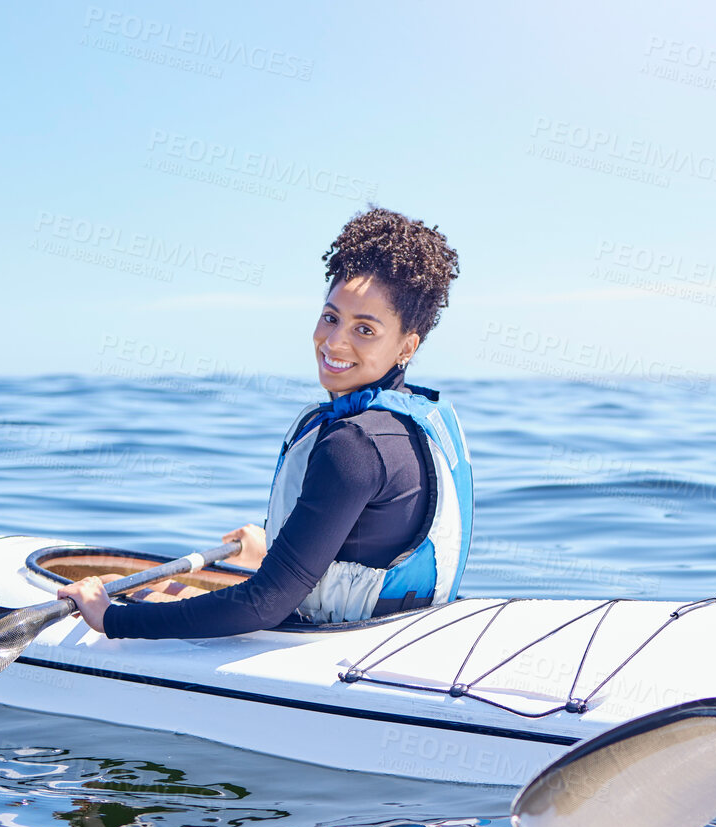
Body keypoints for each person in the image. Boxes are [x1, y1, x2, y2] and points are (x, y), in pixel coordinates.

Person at [57, 207, 473, 637]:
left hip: (336, 649)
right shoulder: (414, 423)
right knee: (172, 585)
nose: (334, 342)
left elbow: (263, 606)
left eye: (364, 330)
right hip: (404, 632)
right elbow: (372, 540)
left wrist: (112, 619)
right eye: (331, 317)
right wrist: (272, 550)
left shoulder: (354, 444)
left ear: (407, 345)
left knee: (148, 594)